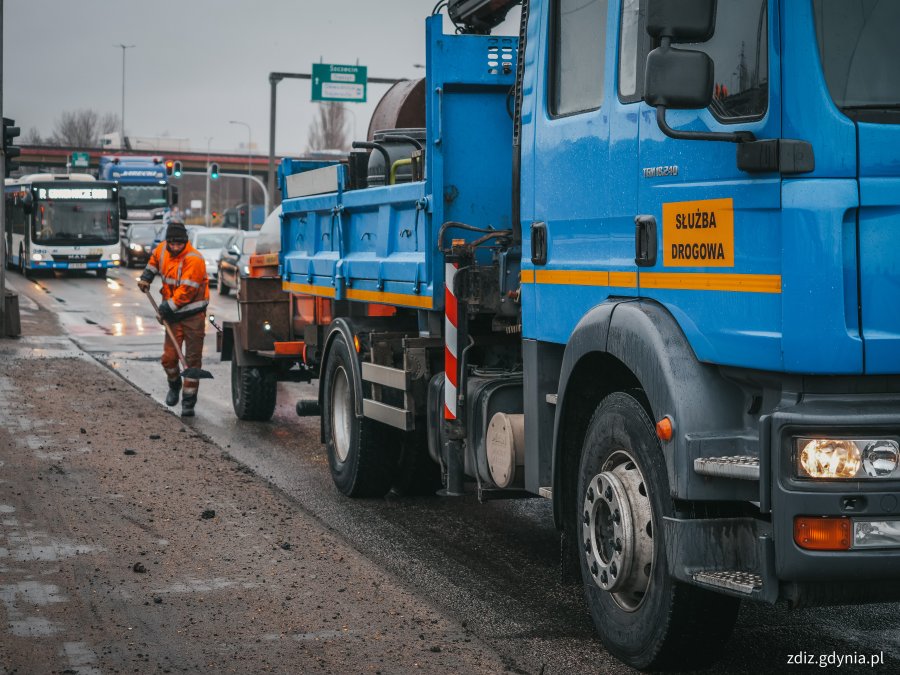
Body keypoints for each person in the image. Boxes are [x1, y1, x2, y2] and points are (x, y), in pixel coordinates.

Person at [137, 220, 209, 416]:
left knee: (192, 361)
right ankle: (174, 384)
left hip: (193, 316)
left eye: (179, 244)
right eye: (172, 243)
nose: (175, 247)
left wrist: (166, 308)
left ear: (185, 242)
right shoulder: (162, 250)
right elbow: (153, 262)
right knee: (169, 359)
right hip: (173, 317)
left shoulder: (194, 260)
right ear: (167, 242)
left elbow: (187, 291)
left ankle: (188, 402)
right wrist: (146, 277)